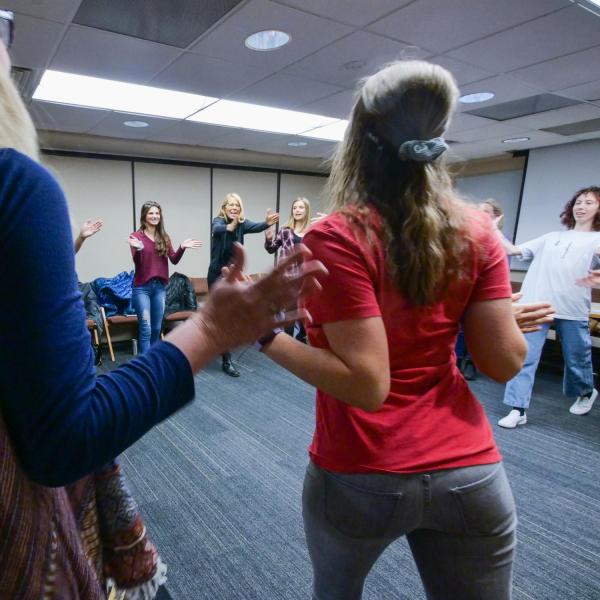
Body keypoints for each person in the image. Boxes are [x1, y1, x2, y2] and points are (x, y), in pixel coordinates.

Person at [0, 16, 326, 596]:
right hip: (144, 294)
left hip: (161, 284)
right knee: (150, 338)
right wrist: (210, 328)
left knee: (153, 333)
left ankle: (151, 373)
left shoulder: (164, 233)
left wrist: (182, 249)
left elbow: (174, 256)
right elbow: (63, 440)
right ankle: (150, 374)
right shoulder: (16, 187)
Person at [259, 59, 534, 600]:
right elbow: (504, 363)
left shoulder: (337, 236)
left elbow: (367, 384)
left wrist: (264, 338)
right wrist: (497, 319)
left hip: (363, 471)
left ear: (360, 139)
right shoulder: (478, 228)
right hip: (468, 470)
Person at [496, 186, 600, 428]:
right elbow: (513, 250)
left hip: (572, 308)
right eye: (578, 202)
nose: (581, 207)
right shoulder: (552, 236)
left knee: (577, 359)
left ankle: (586, 392)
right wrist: (492, 230)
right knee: (525, 357)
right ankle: (517, 409)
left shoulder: (597, 239)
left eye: (589, 203)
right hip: (537, 304)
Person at [208, 192, 279, 376]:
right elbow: (217, 229)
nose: (234, 208)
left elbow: (257, 226)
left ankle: (223, 348)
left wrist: (268, 223)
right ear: (224, 208)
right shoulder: (218, 221)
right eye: (230, 205)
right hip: (217, 275)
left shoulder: (242, 223)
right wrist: (229, 226)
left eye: (237, 205)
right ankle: (226, 359)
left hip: (233, 275)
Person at [128, 201, 202, 354]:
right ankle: (145, 366)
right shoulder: (136, 237)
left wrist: (182, 247)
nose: (155, 216)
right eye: (151, 213)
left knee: (156, 328)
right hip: (142, 288)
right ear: (144, 215)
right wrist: (140, 250)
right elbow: (138, 263)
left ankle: (152, 359)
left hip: (160, 288)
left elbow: (174, 259)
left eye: (157, 213)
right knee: (146, 328)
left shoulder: (164, 237)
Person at [264, 196, 312, 342]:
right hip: (289, 278)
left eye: (301, 207)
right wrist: (268, 238)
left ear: (306, 210)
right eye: (295, 207)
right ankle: (289, 344)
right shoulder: (285, 231)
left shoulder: (312, 231)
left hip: (307, 277)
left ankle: (302, 336)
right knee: (291, 313)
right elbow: (271, 249)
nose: (297, 210)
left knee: (306, 312)